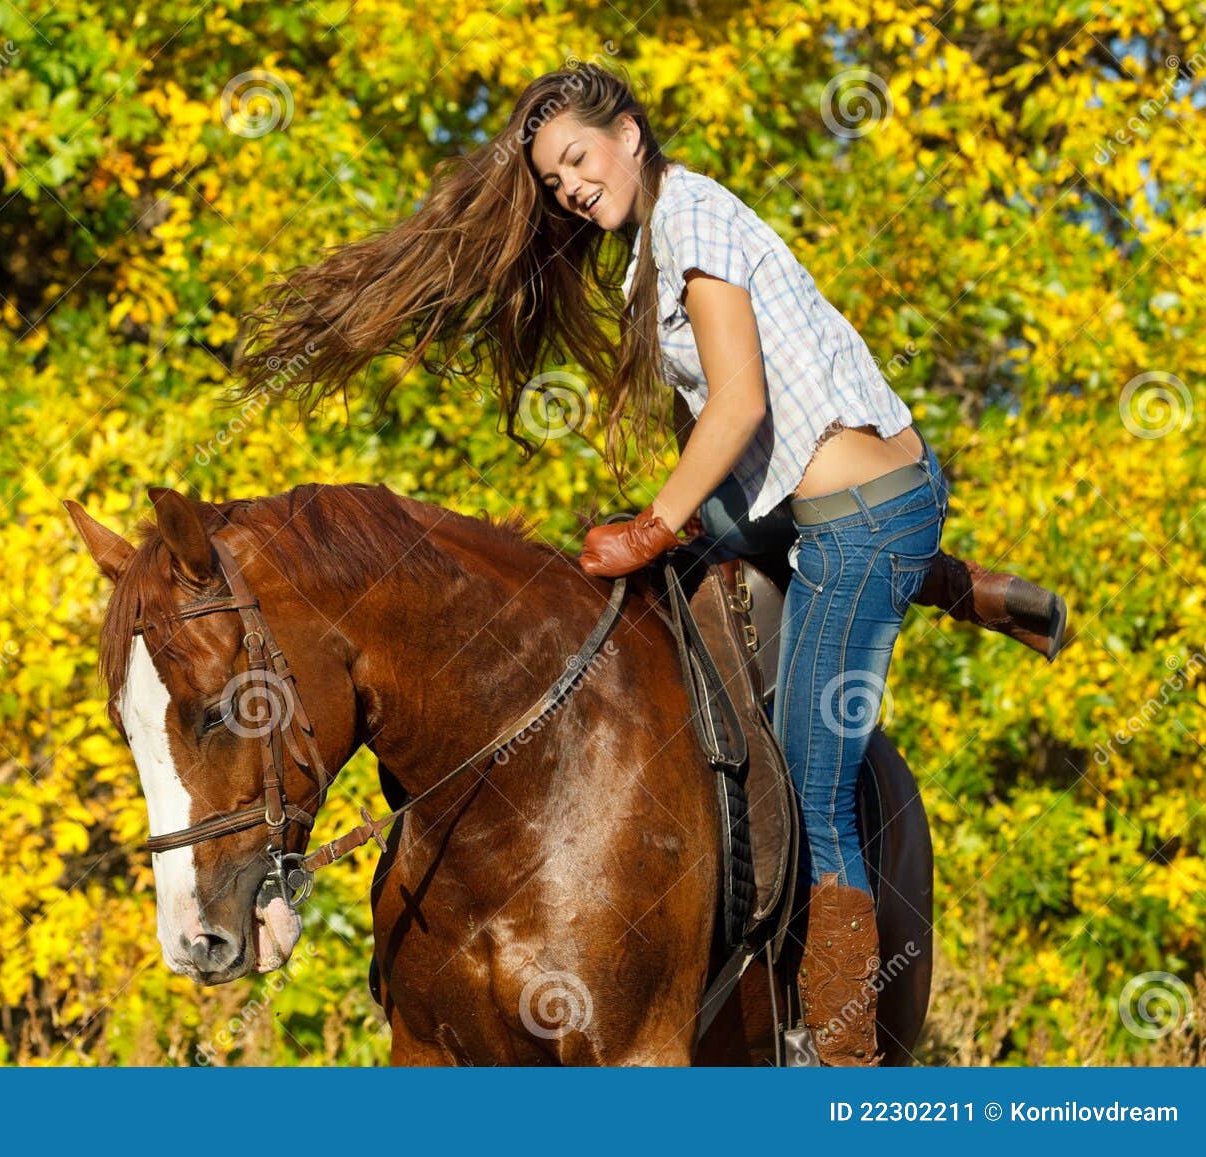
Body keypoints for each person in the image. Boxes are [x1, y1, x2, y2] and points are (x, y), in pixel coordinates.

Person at [231, 63, 1068, 1065]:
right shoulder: (648, 256)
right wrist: (674, 525)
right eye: (552, 181)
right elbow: (715, 441)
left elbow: (738, 406)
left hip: (856, 517)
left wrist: (656, 523)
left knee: (816, 773)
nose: (571, 187)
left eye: (577, 159)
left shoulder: (697, 218)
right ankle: (956, 581)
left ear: (628, 133)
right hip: (782, 510)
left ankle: (834, 1060)